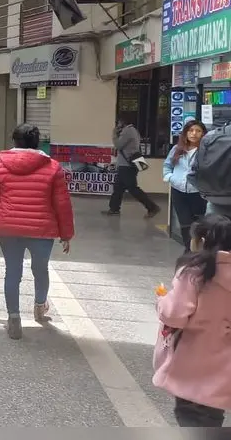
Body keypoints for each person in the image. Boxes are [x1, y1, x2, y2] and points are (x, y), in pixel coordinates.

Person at [0, 123, 75, 340]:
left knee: (12, 272)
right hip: (42, 229)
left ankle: (14, 319)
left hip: (8, 228)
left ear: (14, 141)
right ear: (37, 142)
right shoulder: (53, 167)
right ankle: (40, 307)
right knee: (40, 269)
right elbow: (62, 204)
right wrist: (66, 234)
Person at [153, 214, 231, 427]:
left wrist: (162, 300)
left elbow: (175, 315)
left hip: (193, 361)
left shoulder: (194, 272)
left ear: (202, 241)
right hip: (224, 368)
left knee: (191, 416)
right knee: (212, 415)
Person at [164, 120, 208, 251]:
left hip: (198, 193)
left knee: (198, 224)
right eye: (191, 130)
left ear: (203, 134)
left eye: (198, 131)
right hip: (179, 191)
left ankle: (195, 251)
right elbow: (167, 165)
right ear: (186, 133)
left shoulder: (206, 151)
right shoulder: (177, 149)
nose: (194, 134)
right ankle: (189, 251)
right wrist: (170, 178)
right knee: (185, 224)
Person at [106, 120, 160, 217]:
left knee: (133, 188)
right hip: (126, 164)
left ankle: (152, 207)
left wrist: (114, 134)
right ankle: (114, 209)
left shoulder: (128, 131)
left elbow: (118, 145)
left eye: (118, 123)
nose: (117, 125)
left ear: (123, 123)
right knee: (118, 187)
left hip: (127, 166)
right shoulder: (133, 130)